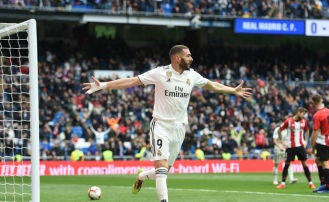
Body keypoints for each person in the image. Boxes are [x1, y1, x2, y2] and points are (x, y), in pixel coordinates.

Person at [82, 45, 253, 202]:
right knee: (161, 169)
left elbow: (211, 85)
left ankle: (141, 177)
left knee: (163, 172)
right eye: (188, 55)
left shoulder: (192, 75)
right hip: (161, 126)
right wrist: (103, 85)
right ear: (177, 58)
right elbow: (131, 81)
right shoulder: (160, 73)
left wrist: (233, 90)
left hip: (179, 129)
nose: (191, 58)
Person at [276, 107, 316, 189]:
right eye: (303, 113)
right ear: (298, 112)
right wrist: (282, 141)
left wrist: (305, 141)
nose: (304, 115)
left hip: (300, 147)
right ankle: (283, 183)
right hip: (290, 147)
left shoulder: (304, 121)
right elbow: (279, 130)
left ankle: (311, 183)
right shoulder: (288, 121)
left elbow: (307, 130)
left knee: (304, 164)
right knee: (287, 164)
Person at [306, 94, 329, 193]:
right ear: (322, 100)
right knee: (318, 160)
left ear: (313, 103)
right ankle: (323, 184)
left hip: (323, 141)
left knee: (325, 163)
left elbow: (315, 131)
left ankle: (328, 187)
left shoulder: (317, 115)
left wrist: (310, 146)